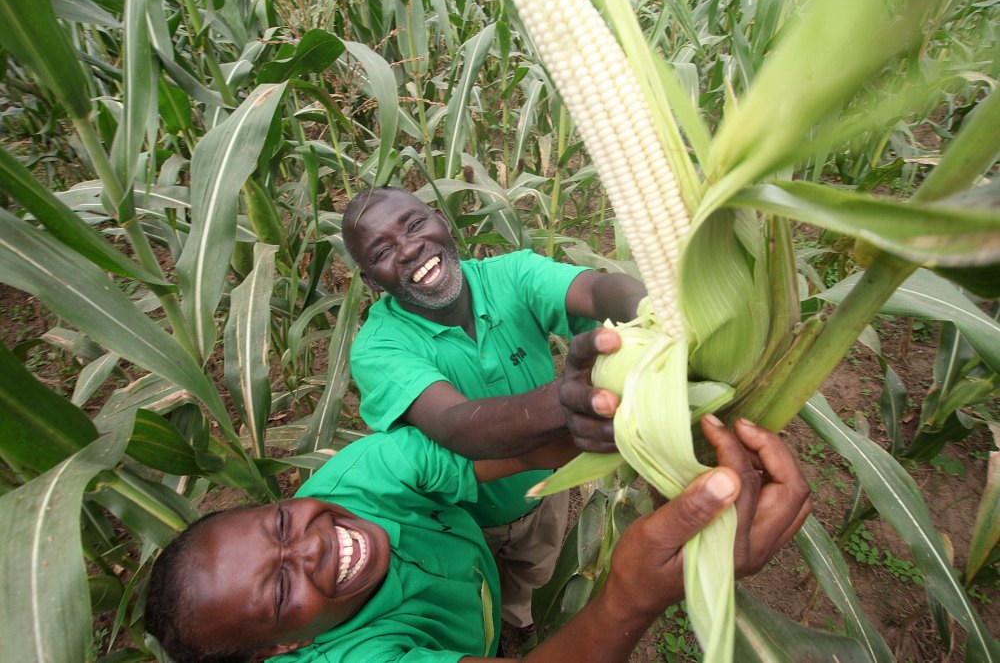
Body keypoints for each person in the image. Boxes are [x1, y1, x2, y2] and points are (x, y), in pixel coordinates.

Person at [143, 403, 811, 663]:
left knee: (515, 597)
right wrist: (631, 595)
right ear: (286, 645)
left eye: (281, 524)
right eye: (281, 586)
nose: (311, 543)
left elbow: (519, 453)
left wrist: (648, 425)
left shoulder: (354, 478)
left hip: (477, 567)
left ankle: (509, 624)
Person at [342, 186, 646, 632]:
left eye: (414, 225)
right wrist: (563, 401)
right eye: (383, 250)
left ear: (443, 221)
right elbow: (454, 425)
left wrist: (648, 310)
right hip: (458, 516)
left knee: (531, 575)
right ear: (372, 281)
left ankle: (519, 624)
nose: (409, 249)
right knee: (470, 599)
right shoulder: (378, 347)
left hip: (543, 492)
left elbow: (599, 291)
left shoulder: (512, 275)